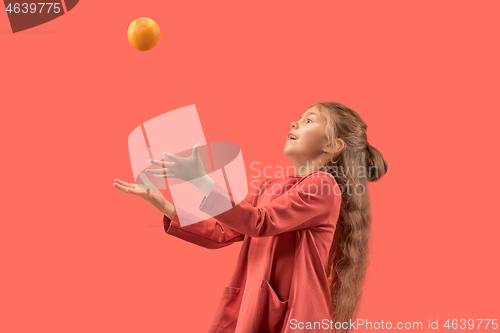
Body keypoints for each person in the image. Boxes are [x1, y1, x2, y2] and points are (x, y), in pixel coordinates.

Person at [113, 101, 388, 333]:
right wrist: (161, 203)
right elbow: (222, 232)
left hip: (296, 313)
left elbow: (259, 222)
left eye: (308, 121)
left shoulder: (324, 186)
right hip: (257, 306)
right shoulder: (271, 185)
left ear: (332, 145)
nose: (294, 123)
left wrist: (201, 179)